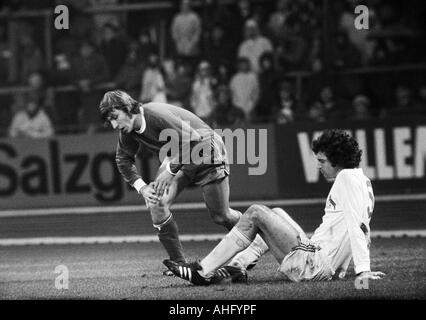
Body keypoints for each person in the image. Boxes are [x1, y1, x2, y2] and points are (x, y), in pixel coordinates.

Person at [164, 129, 385, 285]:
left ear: (338, 160)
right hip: (319, 259)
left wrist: (362, 271)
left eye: (322, 161)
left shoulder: (345, 177)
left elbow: (358, 226)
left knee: (255, 212)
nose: (318, 166)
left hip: (314, 264)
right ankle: (237, 266)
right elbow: (360, 228)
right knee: (277, 213)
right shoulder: (362, 180)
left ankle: (202, 271)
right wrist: (342, 268)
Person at [99, 90, 268, 274]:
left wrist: (170, 170)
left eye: (115, 117)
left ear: (126, 107)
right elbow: (123, 159)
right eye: (110, 121)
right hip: (179, 154)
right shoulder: (128, 130)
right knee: (157, 202)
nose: (115, 124)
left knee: (221, 216)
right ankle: (179, 263)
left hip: (205, 148)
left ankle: (257, 238)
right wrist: (143, 188)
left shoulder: (154, 115)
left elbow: (194, 139)